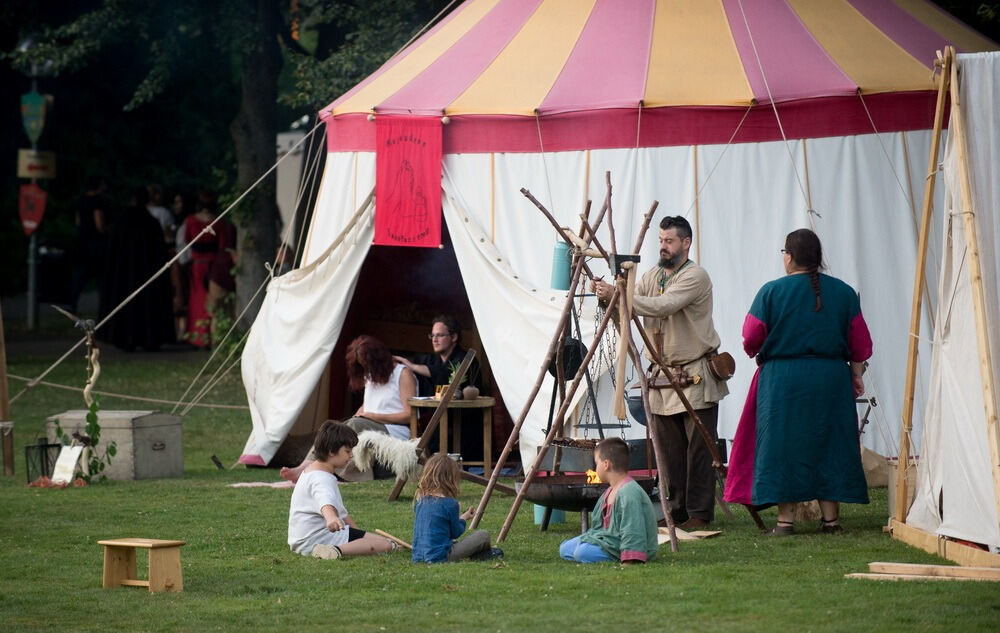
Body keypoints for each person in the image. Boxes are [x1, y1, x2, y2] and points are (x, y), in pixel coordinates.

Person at [723, 229, 872, 535]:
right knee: (829, 445)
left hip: (783, 381)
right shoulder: (843, 292)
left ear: (788, 257)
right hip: (831, 380)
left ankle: (785, 522)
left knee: (783, 446)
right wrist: (856, 375)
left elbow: (751, 336)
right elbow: (859, 342)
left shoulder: (771, 291)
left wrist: (760, 349)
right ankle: (831, 522)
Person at [592, 215, 728, 530]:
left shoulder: (695, 276)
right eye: (661, 240)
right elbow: (630, 303)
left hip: (695, 372)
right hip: (662, 375)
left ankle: (699, 513)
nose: (663, 246)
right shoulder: (652, 275)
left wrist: (618, 294)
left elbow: (664, 305)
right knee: (669, 452)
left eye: (669, 241)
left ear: (686, 243)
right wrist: (607, 296)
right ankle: (677, 511)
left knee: (698, 449)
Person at [281, 335, 417, 482]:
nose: (367, 370)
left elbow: (409, 414)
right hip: (367, 422)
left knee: (354, 424)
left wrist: (372, 417)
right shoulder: (370, 376)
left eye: (368, 366)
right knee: (332, 428)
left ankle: (327, 471)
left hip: (394, 430)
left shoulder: (402, 374)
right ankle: (306, 466)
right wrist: (355, 419)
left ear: (379, 360)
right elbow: (367, 406)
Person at [287, 420, 398, 559]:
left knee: (383, 542)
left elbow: (341, 513)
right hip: (317, 539)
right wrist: (331, 518)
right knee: (386, 545)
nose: (351, 455)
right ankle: (333, 550)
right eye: (347, 451)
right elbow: (325, 502)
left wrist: (359, 535)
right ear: (331, 451)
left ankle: (386, 544)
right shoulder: (321, 478)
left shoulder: (313, 471)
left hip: (303, 540)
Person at [393, 315, 484, 461]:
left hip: (463, 425)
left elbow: (443, 373)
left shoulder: (466, 359)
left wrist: (412, 366)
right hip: (436, 425)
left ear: (454, 337)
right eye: (432, 335)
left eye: (440, 335)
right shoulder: (429, 360)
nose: (434, 340)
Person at [97, 186, 174, 351]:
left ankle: (126, 338)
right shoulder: (150, 223)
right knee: (146, 304)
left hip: (124, 276)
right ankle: (148, 338)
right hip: (146, 274)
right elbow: (159, 252)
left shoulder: (122, 223)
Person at [559, 438, 658, 564]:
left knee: (581, 552)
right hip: (609, 540)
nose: (595, 468)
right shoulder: (610, 490)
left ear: (606, 464)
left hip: (625, 545)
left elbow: (633, 529)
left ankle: (623, 555)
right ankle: (590, 550)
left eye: (596, 463)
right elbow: (600, 527)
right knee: (565, 548)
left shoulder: (629, 492)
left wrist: (630, 559)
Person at [411, 453, 500, 563]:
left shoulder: (420, 501)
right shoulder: (450, 504)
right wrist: (462, 518)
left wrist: (463, 516)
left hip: (418, 556)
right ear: (450, 478)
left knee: (453, 542)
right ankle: (480, 554)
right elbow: (455, 533)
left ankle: (479, 554)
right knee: (483, 535)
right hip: (441, 556)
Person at [182, 190, 234, 347]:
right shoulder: (219, 222)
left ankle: (196, 336)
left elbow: (186, 240)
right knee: (211, 298)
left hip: (197, 265)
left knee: (197, 298)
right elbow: (223, 246)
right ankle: (209, 336)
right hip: (213, 265)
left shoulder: (191, 221)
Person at [69, 175, 110, 313]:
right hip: (96, 243)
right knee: (101, 278)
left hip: (83, 242)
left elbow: (78, 222)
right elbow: (99, 223)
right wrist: (106, 232)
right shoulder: (98, 201)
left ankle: (72, 302)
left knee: (80, 275)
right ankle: (104, 306)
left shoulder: (81, 200)